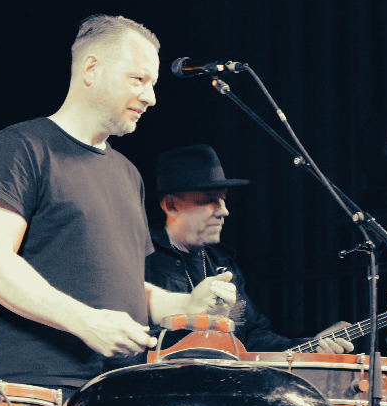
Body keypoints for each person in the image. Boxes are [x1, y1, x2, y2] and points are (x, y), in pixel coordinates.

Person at [0, 15, 236, 395]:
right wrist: (84, 321)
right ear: (91, 69)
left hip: (118, 391)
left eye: (153, 84)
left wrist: (186, 304)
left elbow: (125, 289)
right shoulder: (22, 147)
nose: (151, 96)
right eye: (138, 79)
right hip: (35, 390)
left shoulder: (128, 173)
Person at [145, 144, 354, 353]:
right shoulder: (142, 254)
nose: (224, 211)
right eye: (210, 201)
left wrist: (309, 346)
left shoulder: (223, 264)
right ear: (172, 205)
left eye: (223, 199)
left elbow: (252, 339)